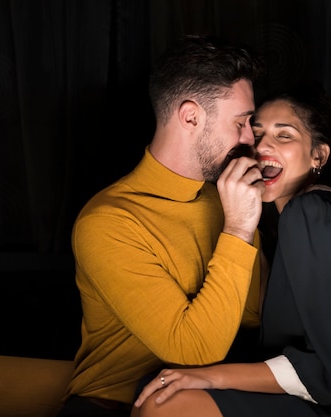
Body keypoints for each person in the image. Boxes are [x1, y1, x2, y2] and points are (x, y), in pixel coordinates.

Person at [131, 82, 331, 417]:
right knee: (159, 388)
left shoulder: (311, 212)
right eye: (256, 133)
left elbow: (326, 370)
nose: (262, 146)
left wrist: (209, 377)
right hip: (330, 400)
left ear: (318, 155)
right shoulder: (297, 218)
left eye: (284, 135)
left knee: (167, 402)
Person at [56, 34, 267, 417]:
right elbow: (193, 348)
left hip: (205, 400)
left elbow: (251, 316)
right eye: (241, 122)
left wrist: (245, 221)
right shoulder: (107, 221)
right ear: (190, 117)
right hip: (112, 406)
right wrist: (237, 230)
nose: (251, 138)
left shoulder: (225, 198)